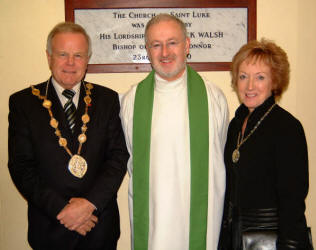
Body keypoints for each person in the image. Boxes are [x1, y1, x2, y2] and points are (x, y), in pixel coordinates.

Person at [8, 22, 129, 250]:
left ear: (88, 59)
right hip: (50, 229)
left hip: (99, 227)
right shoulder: (23, 103)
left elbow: (117, 158)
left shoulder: (107, 100)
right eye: (63, 54)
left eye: (78, 55)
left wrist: (88, 205)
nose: (71, 63)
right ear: (49, 56)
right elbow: (21, 166)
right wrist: (63, 211)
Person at [120, 14, 229, 250]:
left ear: (187, 45)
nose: (164, 53)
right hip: (154, 221)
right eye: (156, 45)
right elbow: (131, 156)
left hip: (200, 220)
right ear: (147, 50)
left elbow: (219, 152)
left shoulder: (213, 98)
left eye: (172, 42)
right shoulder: (132, 101)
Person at [219, 39, 311, 249]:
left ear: (274, 81)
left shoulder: (286, 127)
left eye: (260, 77)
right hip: (236, 238)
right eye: (243, 77)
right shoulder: (236, 125)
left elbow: (292, 202)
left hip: (272, 241)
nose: (250, 86)